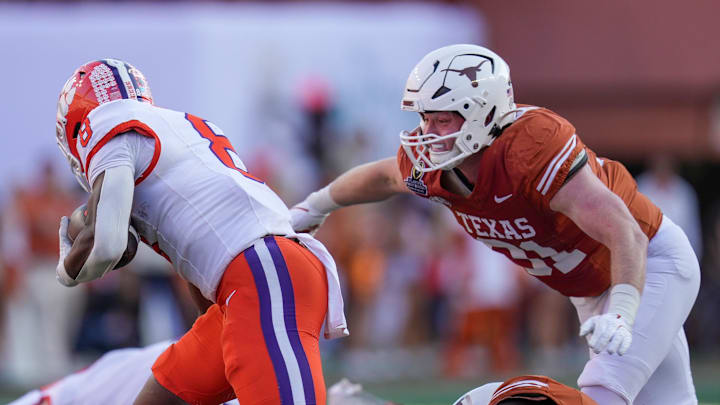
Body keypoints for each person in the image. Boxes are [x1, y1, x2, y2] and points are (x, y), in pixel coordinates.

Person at [291, 44, 700, 405]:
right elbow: (381, 177)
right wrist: (313, 208)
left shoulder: (531, 149)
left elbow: (624, 230)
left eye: (442, 120)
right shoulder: (432, 166)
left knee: (602, 394)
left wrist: (623, 312)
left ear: (483, 113)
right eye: (425, 119)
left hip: (646, 264)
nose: (426, 134)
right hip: (592, 288)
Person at [54, 59, 347, 405]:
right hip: (245, 286)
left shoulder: (106, 123)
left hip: (264, 276)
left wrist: (65, 269)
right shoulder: (185, 128)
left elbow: (107, 246)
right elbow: (206, 258)